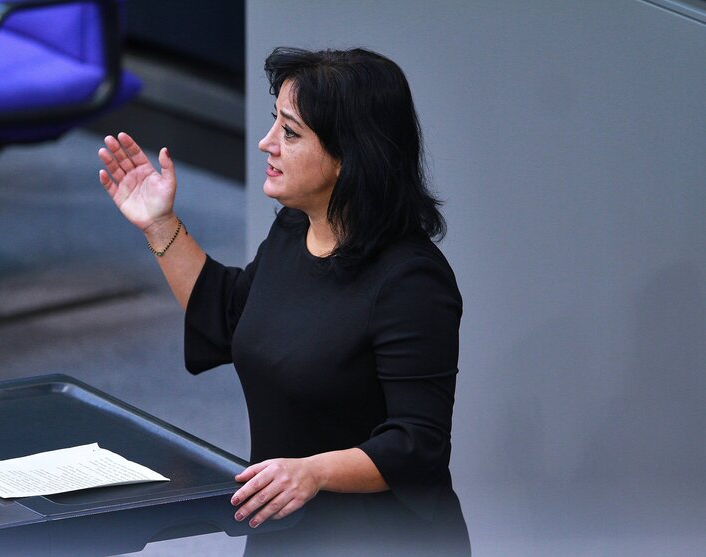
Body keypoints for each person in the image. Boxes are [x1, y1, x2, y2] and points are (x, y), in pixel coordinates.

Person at [97, 47, 470, 556]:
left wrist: (313, 471)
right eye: (275, 124)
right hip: (286, 525)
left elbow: (416, 443)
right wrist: (159, 222)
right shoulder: (296, 228)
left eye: (290, 133)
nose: (265, 143)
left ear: (350, 155)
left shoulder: (411, 282)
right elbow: (233, 316)